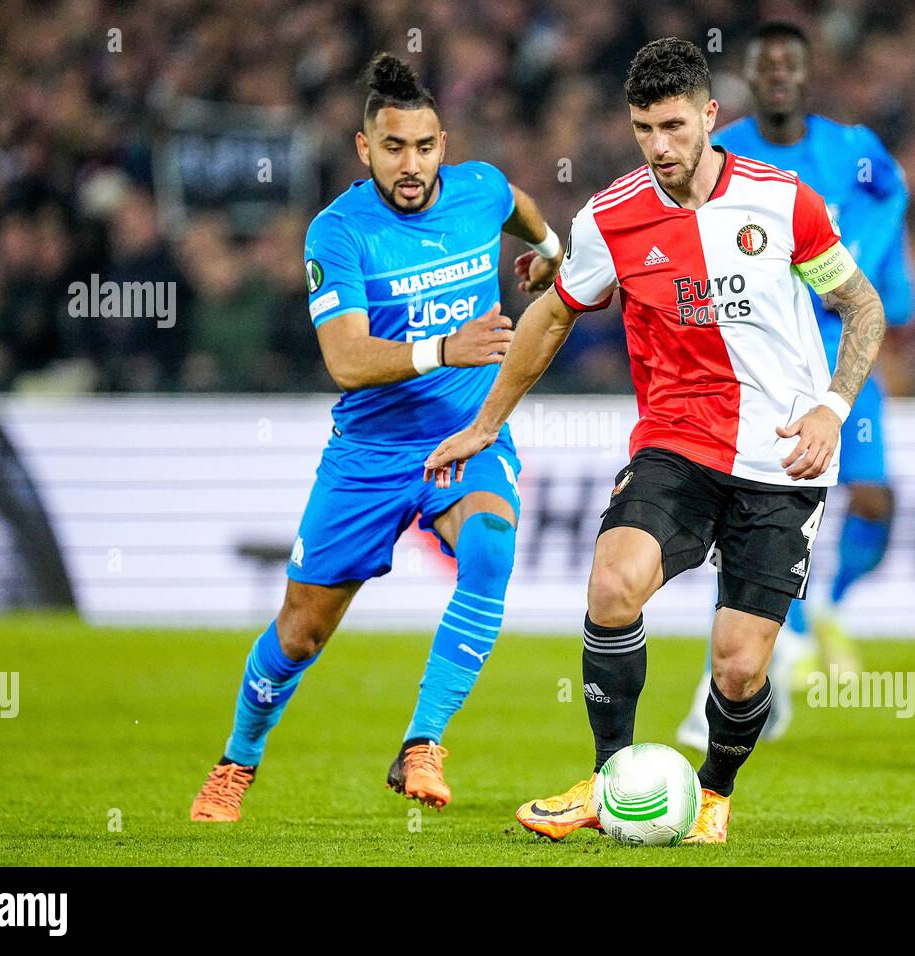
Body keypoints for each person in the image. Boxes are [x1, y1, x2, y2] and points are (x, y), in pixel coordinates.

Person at [423, 38, 886, 844]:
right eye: (644, 129)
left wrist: (833, 409)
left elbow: (863, 307)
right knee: (611, 587)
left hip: (784, 457)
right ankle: (608, 781)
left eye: (674, 126)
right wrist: (487, 421)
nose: (661, 147)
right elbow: (556, 313)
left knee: (739, 668)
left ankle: (713, 791)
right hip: (677, 443)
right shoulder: (611, 217)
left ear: (711, 118)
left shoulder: (786, 203)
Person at [190, 53, 563, 820]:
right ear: (366, 150)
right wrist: (444, 349)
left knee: (492, 545)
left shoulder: (478, 190)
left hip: (464, 438)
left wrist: (552, 252)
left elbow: (519, 204)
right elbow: (346, 360)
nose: (412, 163)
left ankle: (422, 742)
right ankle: (238, 760)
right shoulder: (339, 233)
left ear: (443, 145)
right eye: (393, 147)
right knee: (300, 634)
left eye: (425, 147)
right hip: (368, 457)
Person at [678, 21, 915, 751]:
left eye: (791, 63)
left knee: (875, 501)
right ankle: (766, 656)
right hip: (767, 358)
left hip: (845, 346)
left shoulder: (853, 152)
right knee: (770, 504)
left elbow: (892, 194)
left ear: (808, 75)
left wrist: (860, 273)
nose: (778, 73)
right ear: (749, 75)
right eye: (765, 64)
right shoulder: (727, 155)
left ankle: (822, 614)